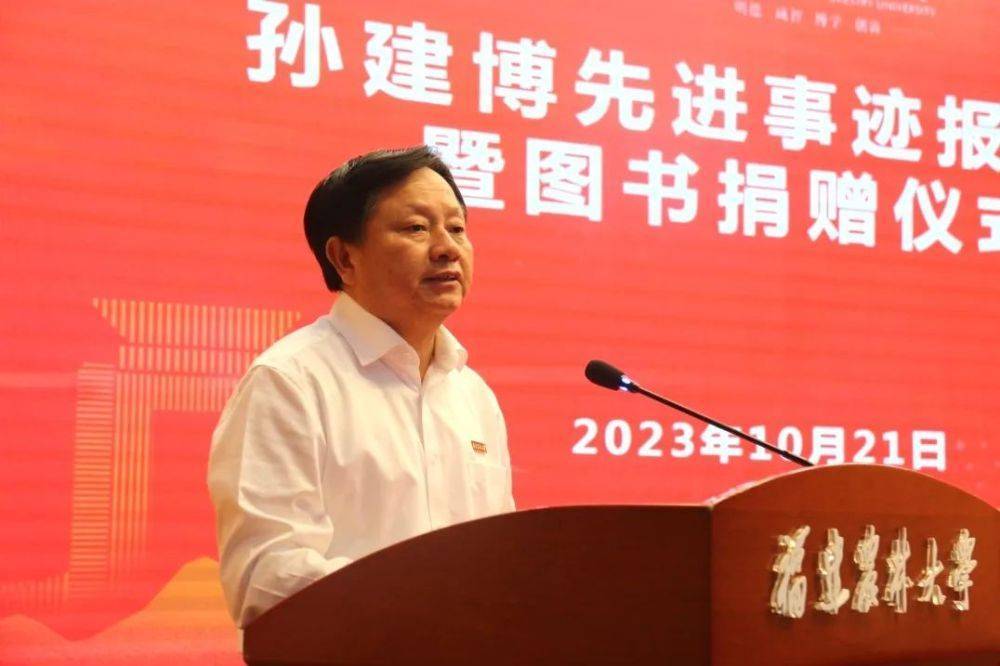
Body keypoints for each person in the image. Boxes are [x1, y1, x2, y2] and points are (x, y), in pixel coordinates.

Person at [207, 146, 515, 627]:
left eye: (457, 228)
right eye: (416, 228)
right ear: (344, 258)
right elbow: (266, 578)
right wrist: (427, 605)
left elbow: (498, 561)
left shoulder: (473, 395)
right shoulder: (290, 382)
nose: (447, 248)